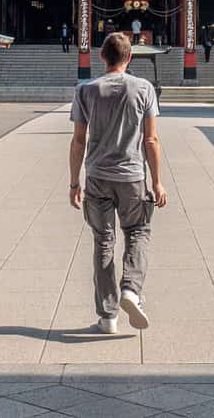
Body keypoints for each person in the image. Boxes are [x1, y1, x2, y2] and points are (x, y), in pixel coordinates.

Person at [70, 33, 166, 334]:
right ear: (130, 58)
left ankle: (107, 316)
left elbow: (78, 140)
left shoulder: (86, 90)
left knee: (103, 240)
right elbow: (151, 139)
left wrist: (75, 183)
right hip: (132, 176)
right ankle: (131, 290)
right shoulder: (144, 89)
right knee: (137, 231)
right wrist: (158, 182)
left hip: (97, 175)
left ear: (102, 56)